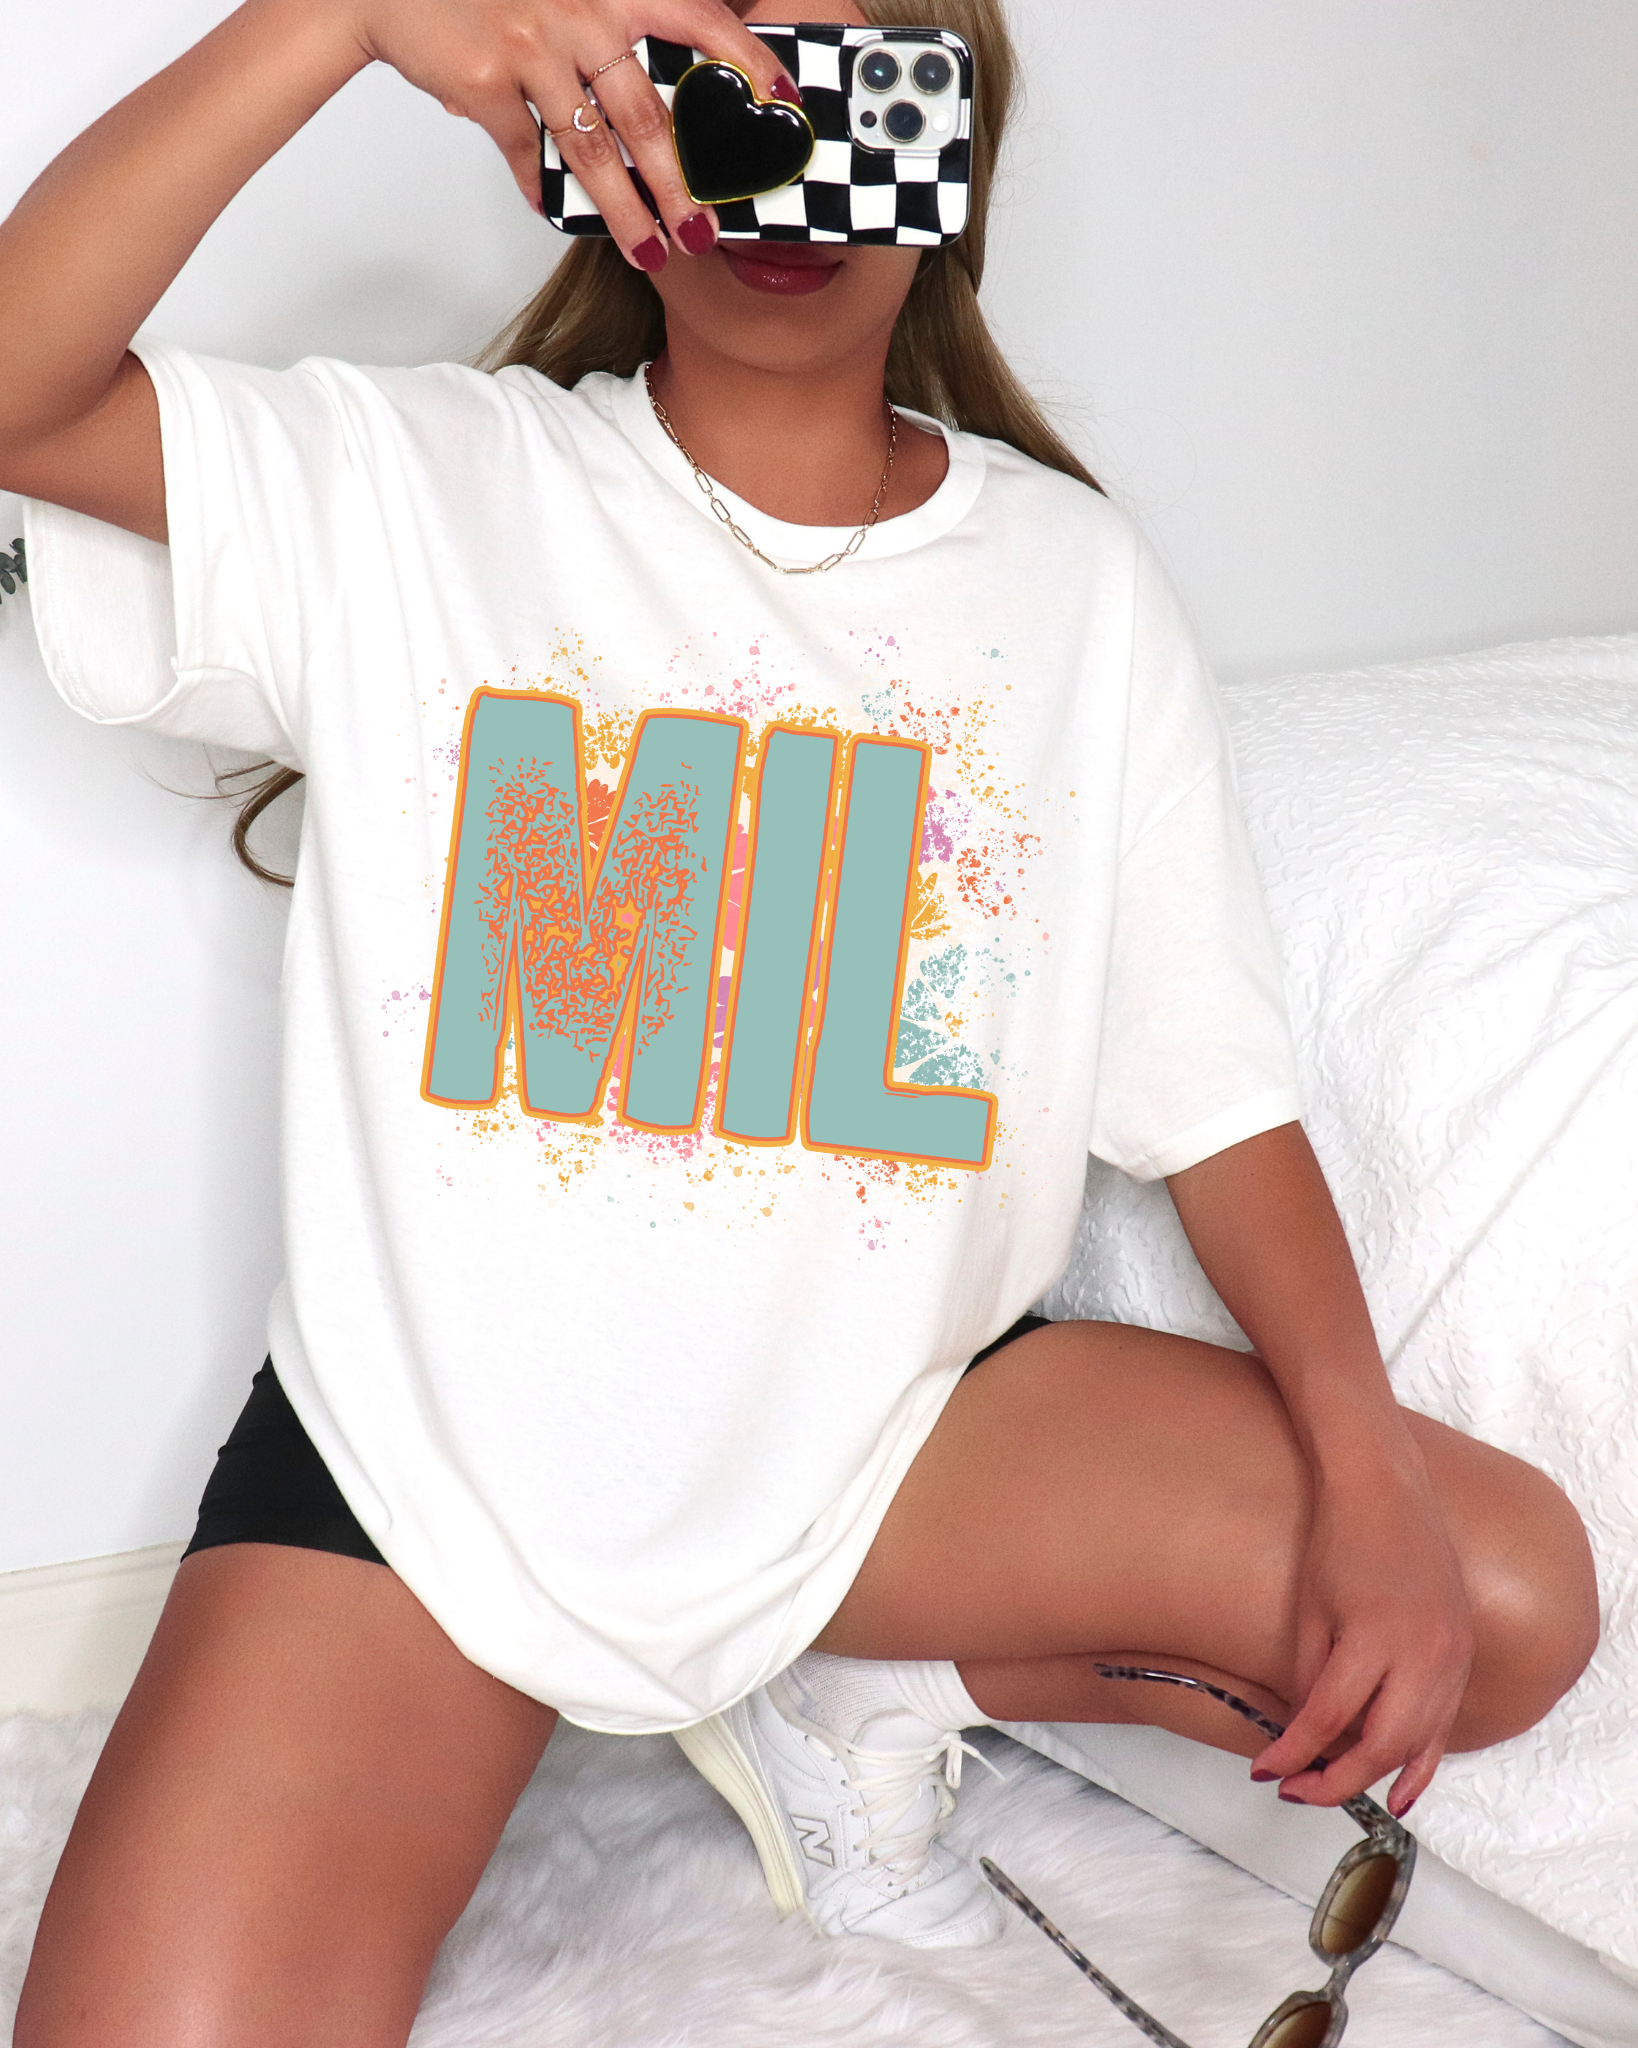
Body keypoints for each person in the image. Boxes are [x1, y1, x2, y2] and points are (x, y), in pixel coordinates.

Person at [0, 0, 1599, 2039]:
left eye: (858, 91)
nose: (786, 165)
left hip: (887, 1438)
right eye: (719, 92)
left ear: (950, 163)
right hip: (432, 1472)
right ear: (601, 134)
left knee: (1503, 1597)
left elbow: (1210, 1087)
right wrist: (343, 15)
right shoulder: (412, 480)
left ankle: (863, 1678)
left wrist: (1364, 1472)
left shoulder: (1071, 585)